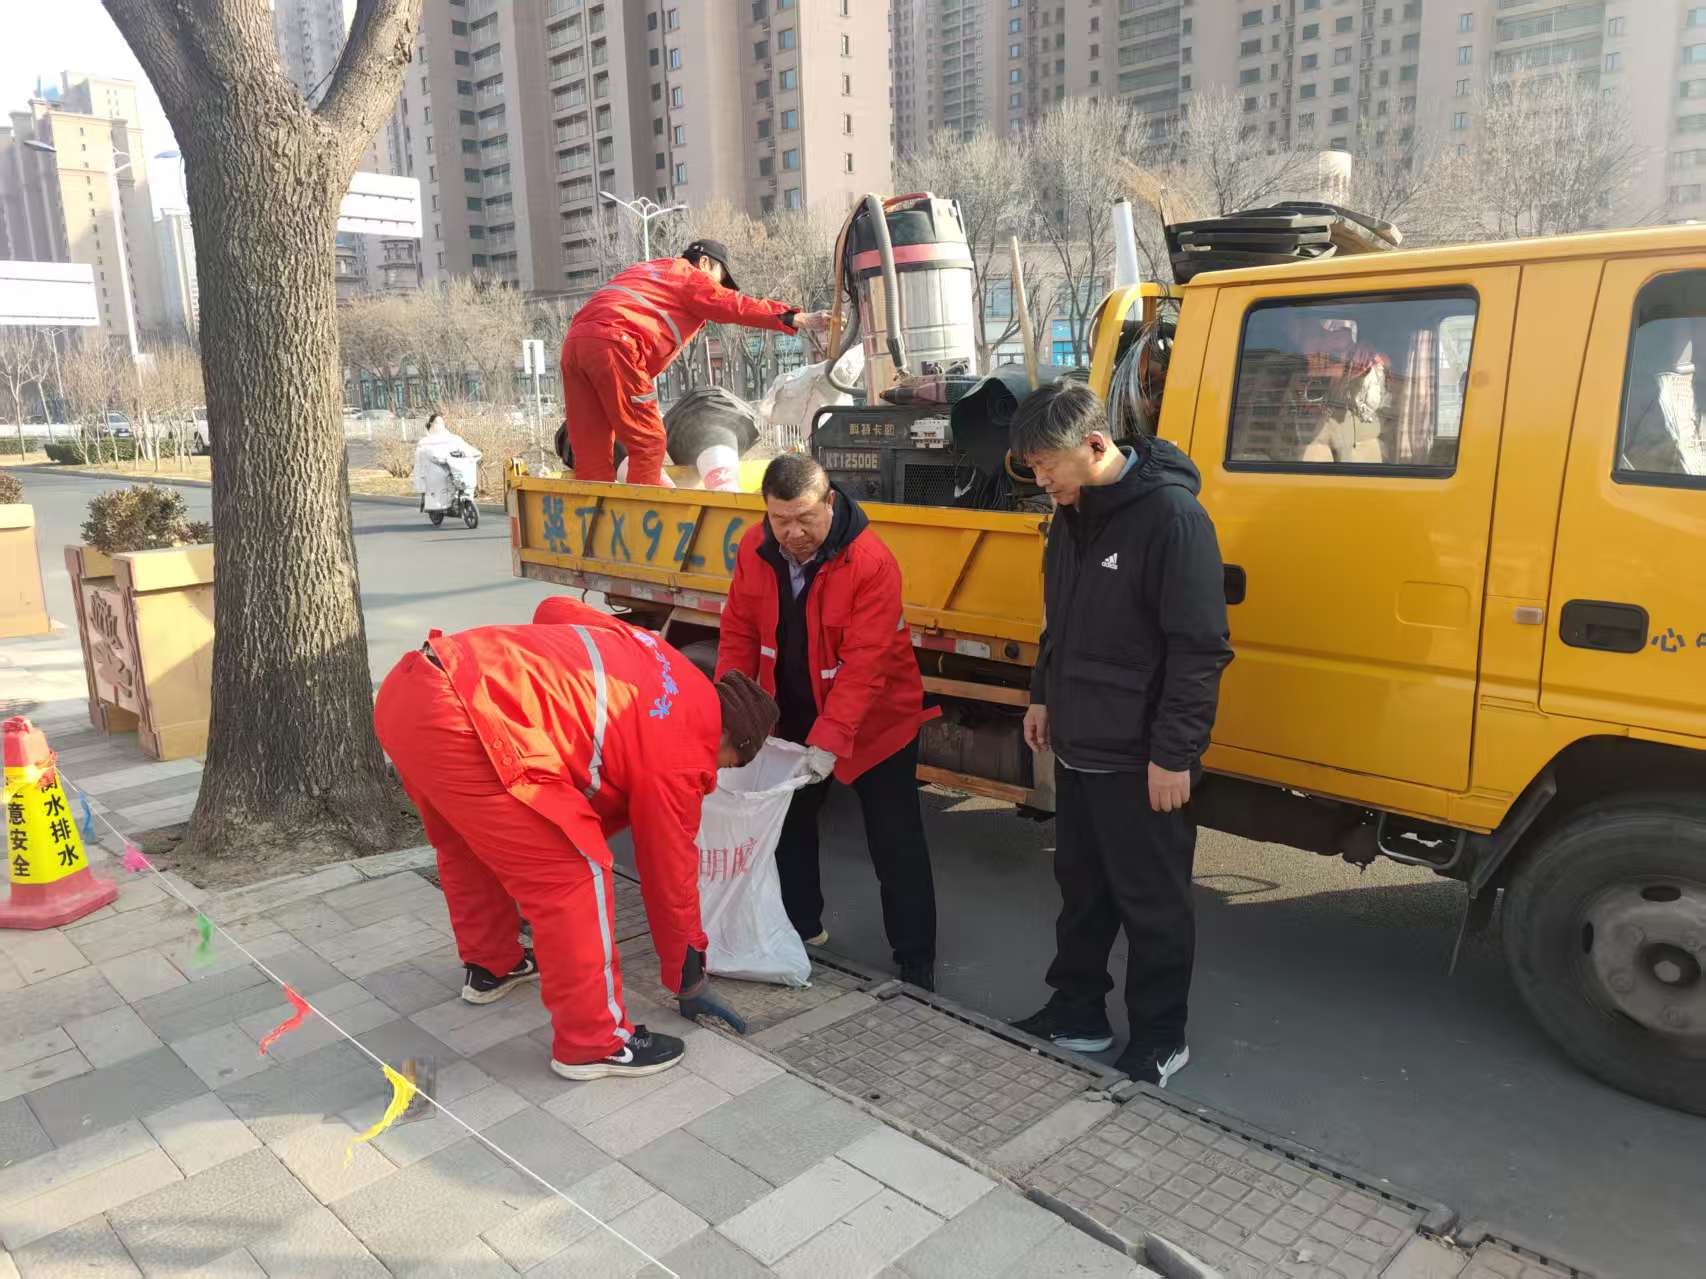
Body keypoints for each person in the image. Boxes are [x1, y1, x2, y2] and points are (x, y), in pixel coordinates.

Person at [374, 596, 779, 1081]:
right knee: (574, 874)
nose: (715, 775)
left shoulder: (657, 652)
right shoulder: (686, 749)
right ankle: (594, 1043)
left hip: (413, 689)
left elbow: (551, 609)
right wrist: (688, 977)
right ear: (730, 739)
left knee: (468, 844)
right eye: (727, 765)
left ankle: (493, 965)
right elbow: (669, 871)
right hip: (467, 721)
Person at [1007, 382, 1233, 1087]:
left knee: (1152, 902)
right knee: (1081, 889)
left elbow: (1199, 650)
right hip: (1080, 743)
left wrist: (1174, 754)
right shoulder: (1070, 516)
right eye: (1034, 468)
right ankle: (1077, 1010)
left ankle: (1162, 1037)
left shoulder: (1172, 518)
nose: (1042, 481)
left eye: (1048, 465)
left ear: (1096, 444)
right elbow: (1058, 620)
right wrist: (1042, 695)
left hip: (1141, 758)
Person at [716, 455, 940, 989]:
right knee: (789, 827)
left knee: (895, 841)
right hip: (792, 715)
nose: (794, 533)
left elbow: (865, 666)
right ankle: (802, 929)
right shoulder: (754, 548)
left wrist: (831, 741)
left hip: (878, 723)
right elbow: (739, 630)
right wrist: (730, 709)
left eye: (805, 518)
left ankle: (916, 961)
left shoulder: (870, 562)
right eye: (780, 520)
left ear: (830, 503)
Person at [560, 238, 828, 487]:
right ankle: (645, 516)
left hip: (575, 346)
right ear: (704, 263)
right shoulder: (688, 275)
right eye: (719, 279)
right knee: (648, 442)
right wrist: (796, 318)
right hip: (616, 344)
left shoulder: (648, 270)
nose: (719, 287)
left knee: (591, 449)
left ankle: (592, 516)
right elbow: (733, 305)